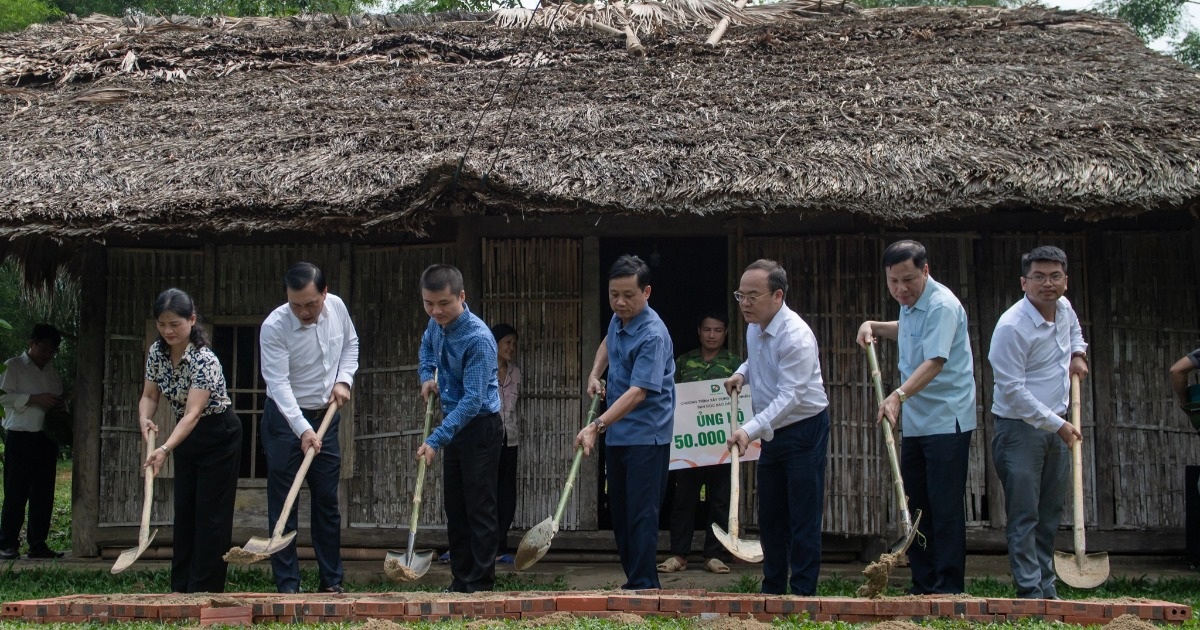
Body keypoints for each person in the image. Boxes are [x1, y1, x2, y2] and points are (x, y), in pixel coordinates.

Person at [856, 239, 976, 595]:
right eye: (893, 281)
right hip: (919, 422)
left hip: (947, 421)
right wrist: (873, 325)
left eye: (908, 279)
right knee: (917, 504)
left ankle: (949, 585)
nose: (900, 289)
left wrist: (897, 396)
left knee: (944, 507)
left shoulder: (941, 305)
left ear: (925, 270)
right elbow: (905, 328)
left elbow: (935, 361)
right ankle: (923, 582)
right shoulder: (910, 304)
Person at [723, 260, 830, 596]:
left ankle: (802, 593)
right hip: (772, 431)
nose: (745, 303)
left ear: (778, 295)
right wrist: (742, 372)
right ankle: (772, 589)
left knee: (802, 515)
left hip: (803, 429)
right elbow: (758, 361)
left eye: (753, 296)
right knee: (770, 514)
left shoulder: (796, 336)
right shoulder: (754, 325)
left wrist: (748, 430)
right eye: (741, 296)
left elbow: (790, 397)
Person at [988, 246, 1088, 600]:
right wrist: (1055, 424)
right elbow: (1012, 391)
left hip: (1057, 424)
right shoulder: (1012, 327)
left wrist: (1078, 354)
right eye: (1039, 277)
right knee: (1025, 514)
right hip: (1020, 430)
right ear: (1023, 282)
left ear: (1065, 280)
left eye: (1055, 276)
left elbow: (1076, 332)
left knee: (1049, 513)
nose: (1048, 283)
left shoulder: (1064, 309)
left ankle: (1048, 588)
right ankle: (1029, 591)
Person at [576, 255, 675, 590]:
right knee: (618, 511)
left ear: (646, 292)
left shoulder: (652, 334)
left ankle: (645, 584)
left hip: (647, 437)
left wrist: (596, 426)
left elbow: (638, 393)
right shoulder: (619, 320)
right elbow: (608, 341)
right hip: (618, 435)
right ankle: (634, 580)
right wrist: (594, 373)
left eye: (628, 295)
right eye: (613, 294)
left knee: (641, 513)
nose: (619, 302)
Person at [260, 262, 359, 594]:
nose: (303, 311)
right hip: (284, 421)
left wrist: (344, 380)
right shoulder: (274, 327)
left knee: (327, 502)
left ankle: (331, 581)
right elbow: (278, 385)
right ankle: (288, 585)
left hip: (326, 418)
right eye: (295, 304)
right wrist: (302, 429)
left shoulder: (338, 308)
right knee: (284, 501)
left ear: (324, 293)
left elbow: (351, 345)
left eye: (310, 304)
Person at [139, 289, 242, 592]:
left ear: (192, 320)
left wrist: (165, 448)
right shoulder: (157, 352)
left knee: (210, 516)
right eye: (162, 324)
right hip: (185, 438)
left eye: (175, 324)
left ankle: (205, 590)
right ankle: (180, 588)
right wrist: (144, 418)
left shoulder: (204, 359)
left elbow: (193, 413)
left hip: (217, 434)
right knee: (184, 512)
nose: (168, 331)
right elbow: (149, 395)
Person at [417, 264, 503, 593]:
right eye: (429, 303)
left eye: (444, 303)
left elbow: (472, 401)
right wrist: (426, 376)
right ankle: (460, 580)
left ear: (461, 297)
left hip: (480, 426)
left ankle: (480, 584)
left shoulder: (479, 339)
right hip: (454, 426)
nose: (436, 311)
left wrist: (436, 439)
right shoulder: (435, 323)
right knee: (456, 508)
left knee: (479, 507)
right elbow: (427, 347)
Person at [658, 312, 739, 575]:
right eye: (707, 330)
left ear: (725, 333)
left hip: (722, 446)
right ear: (699, 331)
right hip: (690, 446)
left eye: (717, 330)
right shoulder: (684, 362)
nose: (712, 335)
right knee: (684, 499)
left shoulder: (735, 364)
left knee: (719, 500)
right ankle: (679, 555)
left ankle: (714, 555)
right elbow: (673, 397)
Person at [0, 324, 65, 560]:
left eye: (52, 350)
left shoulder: (52, 372)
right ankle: (7, 544)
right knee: (16, 492)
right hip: (20, 436)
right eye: (43, 348)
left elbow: (57, 397)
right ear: (31, 343)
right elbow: (3, 396)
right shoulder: (14, 366)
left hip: (45, 437)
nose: (47, 354)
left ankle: (38, 544)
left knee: (43, 493)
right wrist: (34, 399)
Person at [492, 323, 522, 565]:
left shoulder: (516, 374)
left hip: (510, 439)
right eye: (507, 343)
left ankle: (501, 545)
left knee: (506, 493)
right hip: (489, 439)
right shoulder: (485, 371)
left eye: (514, 343)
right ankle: (484, 545)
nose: (512, 347)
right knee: (487, 492)